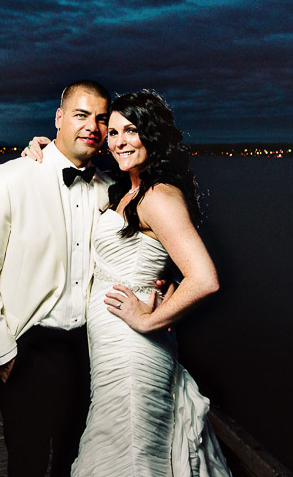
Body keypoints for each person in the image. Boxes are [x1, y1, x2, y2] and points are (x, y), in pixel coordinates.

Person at [26, 91, 233, 477]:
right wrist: (43, 151)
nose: (119, 141)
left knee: (129, 454)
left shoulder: (158, 196)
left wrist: (147, 320)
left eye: (132, 131)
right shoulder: (126, 189)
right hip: (108, 349)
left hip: (133, 349)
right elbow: (155, 255)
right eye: (115, 131)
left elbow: (204, 278)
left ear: (152, 136)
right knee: (118, 445)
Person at [0, 80, 112, 477]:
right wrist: (2, 354)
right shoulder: (10, 177)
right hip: (30, 348)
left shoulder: (110, 190)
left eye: (100, 118)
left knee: (76, 462)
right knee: (25, 463)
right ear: (59, 118)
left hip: (91, 351)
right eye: (80, 115)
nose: (91, 126)